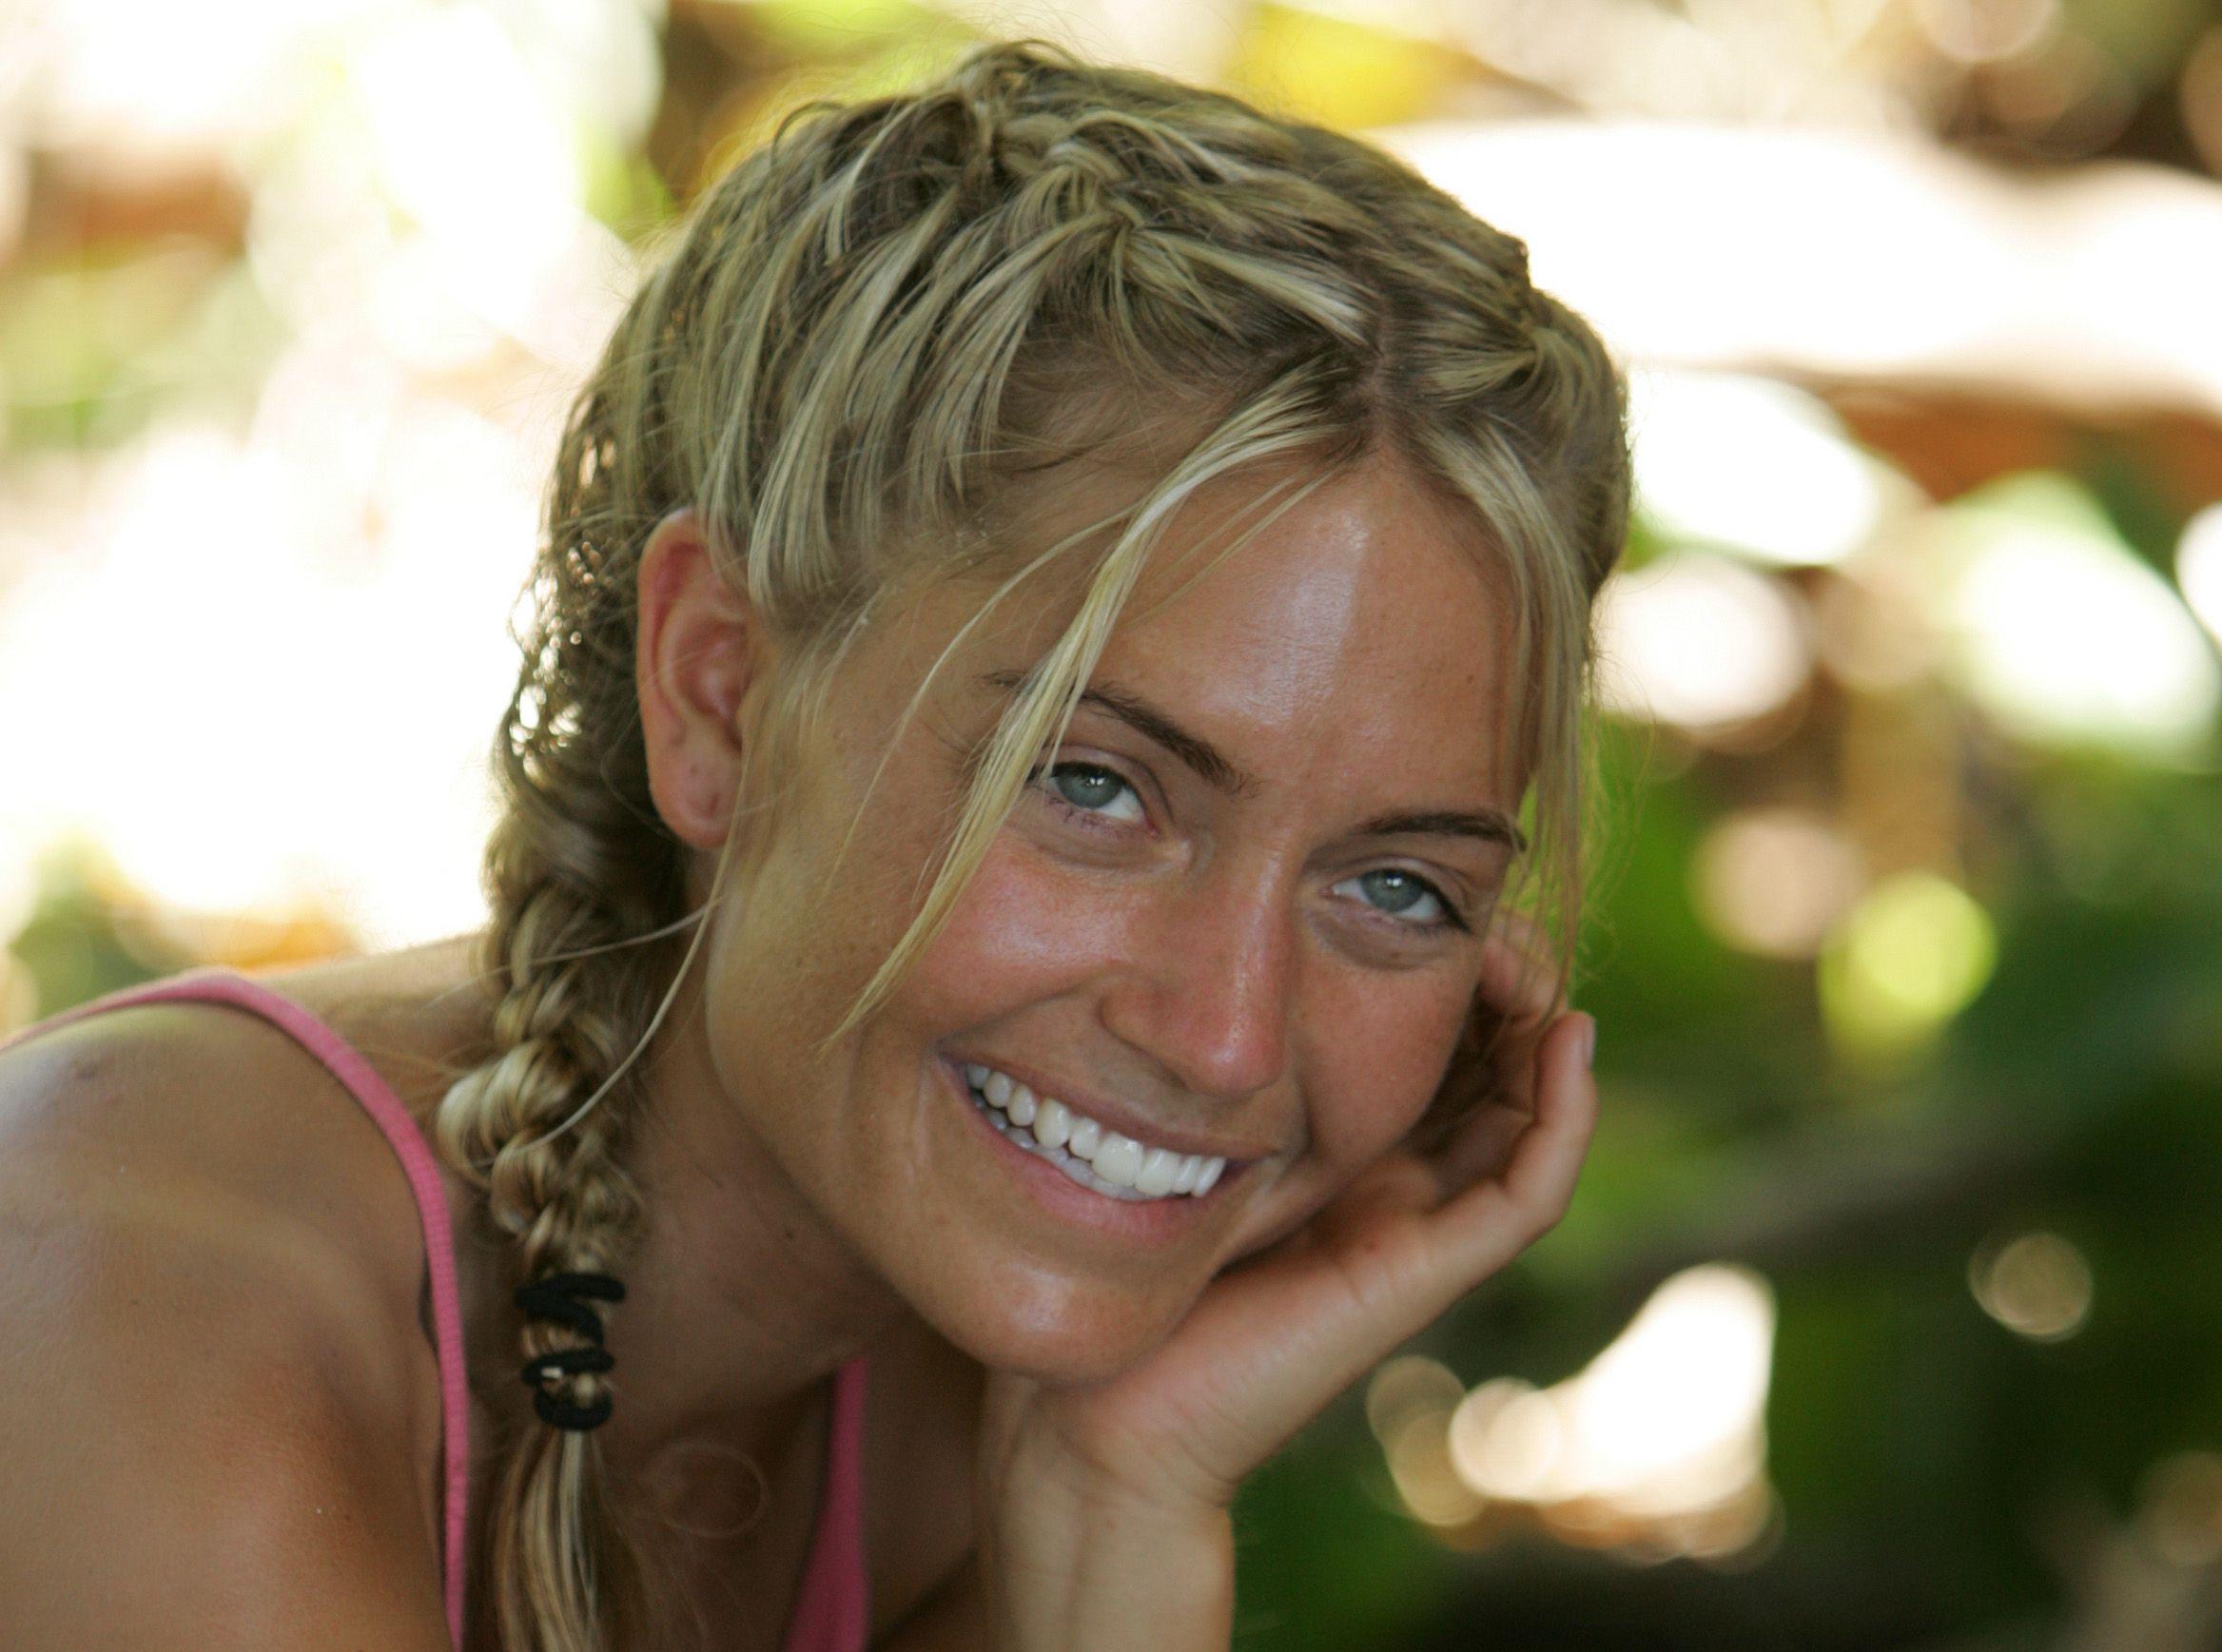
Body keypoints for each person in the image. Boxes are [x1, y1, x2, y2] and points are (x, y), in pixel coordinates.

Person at [0, 38, 1627, 1652]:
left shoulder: (967, 1406)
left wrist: (1112, 1504)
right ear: (719, 693)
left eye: (1396, 887)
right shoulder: (135, 1298)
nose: (1226, 1039)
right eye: (1095, 786)